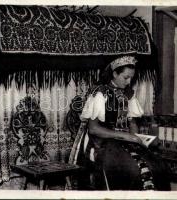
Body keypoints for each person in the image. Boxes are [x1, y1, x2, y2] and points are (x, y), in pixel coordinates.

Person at [69, 55, 171, 190]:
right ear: (114, 73)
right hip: (102, 141)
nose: (129, 82)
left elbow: (132, 122)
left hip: (124, 141)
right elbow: (93, 129)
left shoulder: (128, 93)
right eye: (125, 77)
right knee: (133, 169)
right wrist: (125, 136)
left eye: (131, 78)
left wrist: (137, 138)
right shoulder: (100, 93)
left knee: (158, 165)